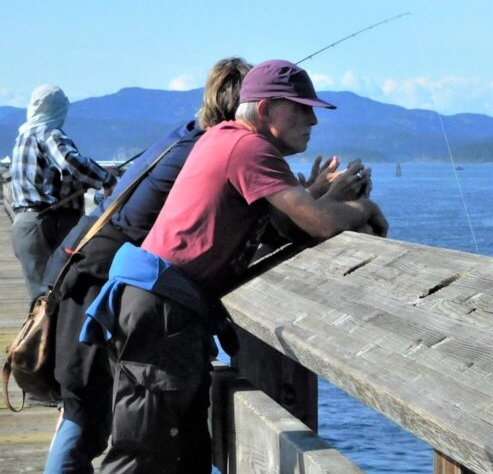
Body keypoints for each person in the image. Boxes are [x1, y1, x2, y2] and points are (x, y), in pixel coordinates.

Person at [82, 59, 387, 473]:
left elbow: (289, 225)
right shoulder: (249, 148)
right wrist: (362, 207)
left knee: (185, 453)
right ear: (265, 109)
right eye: (301, 108)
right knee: (143, 454)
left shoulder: (224, 138)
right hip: (163, 312)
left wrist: (323, 195)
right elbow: (319, 223)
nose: (313, 120)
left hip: (162, 308)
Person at [44, 57, 264, 474]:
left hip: (87, 263)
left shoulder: (183, 136)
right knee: (84, 411)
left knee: (83, 408)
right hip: (104, 276)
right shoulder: (212, 152)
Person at [7, 85, 114, 303]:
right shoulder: (49, 134)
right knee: (63, 296)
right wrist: (107, 179)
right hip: (48, 224)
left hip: (24, 225)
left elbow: (52, 181)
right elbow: (69, 161)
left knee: (40, 300)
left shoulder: (22, 138)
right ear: (57, 108)